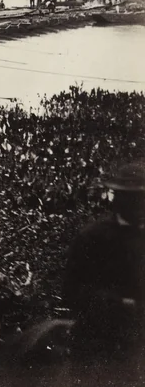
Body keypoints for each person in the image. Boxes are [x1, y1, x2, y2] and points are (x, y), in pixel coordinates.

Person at [61, 160, 145, 373]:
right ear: (117, 198)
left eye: (140, 196)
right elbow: (70, 291)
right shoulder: (92, 237)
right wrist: (116, 304)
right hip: (101, 335)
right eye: (128, 196)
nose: (136, 203)